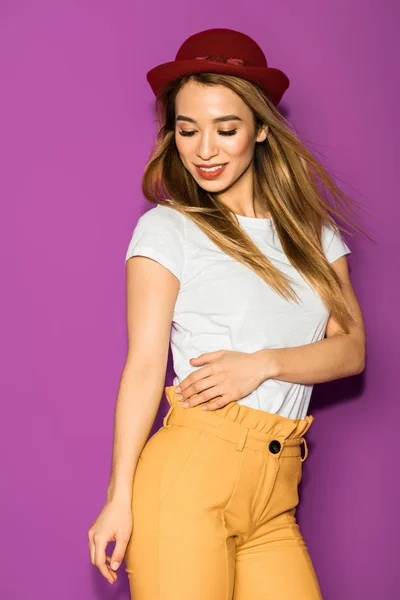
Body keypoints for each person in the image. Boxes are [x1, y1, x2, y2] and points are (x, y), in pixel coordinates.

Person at [88, 28, 366, 599]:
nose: (205, 150)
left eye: (226, 128)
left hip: (276, 491)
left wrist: (260, 364)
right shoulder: (169, 230)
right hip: (191, 476)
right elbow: (143, 366)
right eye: (187, 130)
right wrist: (119, 496)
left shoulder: (314, 236)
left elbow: (351, 350)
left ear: (261, 130)